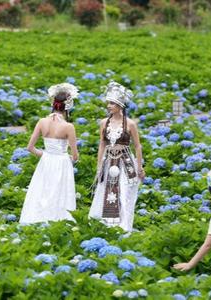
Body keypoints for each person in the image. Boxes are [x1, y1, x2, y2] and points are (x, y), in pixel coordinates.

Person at [89, 81, 145, 232]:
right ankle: (106, 223)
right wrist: (99, 165)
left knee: (124, 190)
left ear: (120, 106)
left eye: (112, 103)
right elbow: (102, 143)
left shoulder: (130, 124)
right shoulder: (103, 122)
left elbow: (137, 146)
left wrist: (139, 167)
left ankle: (123, 225)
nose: (109, 106)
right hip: (109, 161)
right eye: (108, 103)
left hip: (125, 162)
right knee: (106, 189)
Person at [19, 83, 79, 224]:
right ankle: (58, 220)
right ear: (67, 107)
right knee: (60, 192)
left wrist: (46, 155)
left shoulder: (42, 121)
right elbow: (75, 156)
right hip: (62, 162)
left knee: (42, 190)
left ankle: (38, 219)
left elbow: (30, 147)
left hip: (46, 161)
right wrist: (69, 158)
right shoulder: (68, 127)